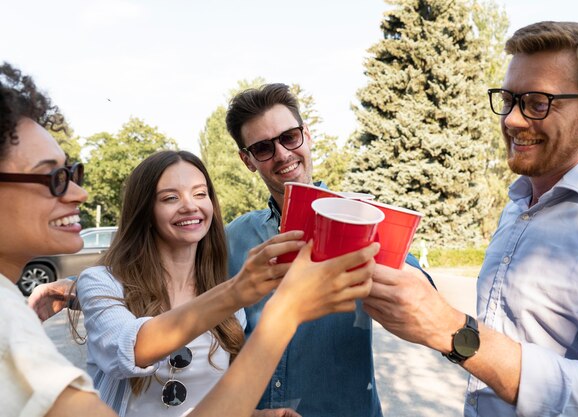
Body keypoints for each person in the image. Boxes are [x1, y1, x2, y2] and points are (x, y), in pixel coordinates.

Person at [1, 62, 379, 417]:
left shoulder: (226, 268)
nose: (190, 208)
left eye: (201, 194)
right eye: (170, 197)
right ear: (247, 159)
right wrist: (277, 311)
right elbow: (130, 341)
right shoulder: (231, 263)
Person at [363, 21, 578, 417]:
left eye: (538, 103)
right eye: (507, 99)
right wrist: (421, 300)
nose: (511, 120)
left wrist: (449, 329)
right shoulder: (517, 205)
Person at [224, 83, 432, 417]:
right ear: (247, 160)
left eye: (289, 137)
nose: (282, 154)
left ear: (307, 135)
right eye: (263, 148)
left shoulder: (364, 219)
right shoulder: (231, 239)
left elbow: (423, 297)